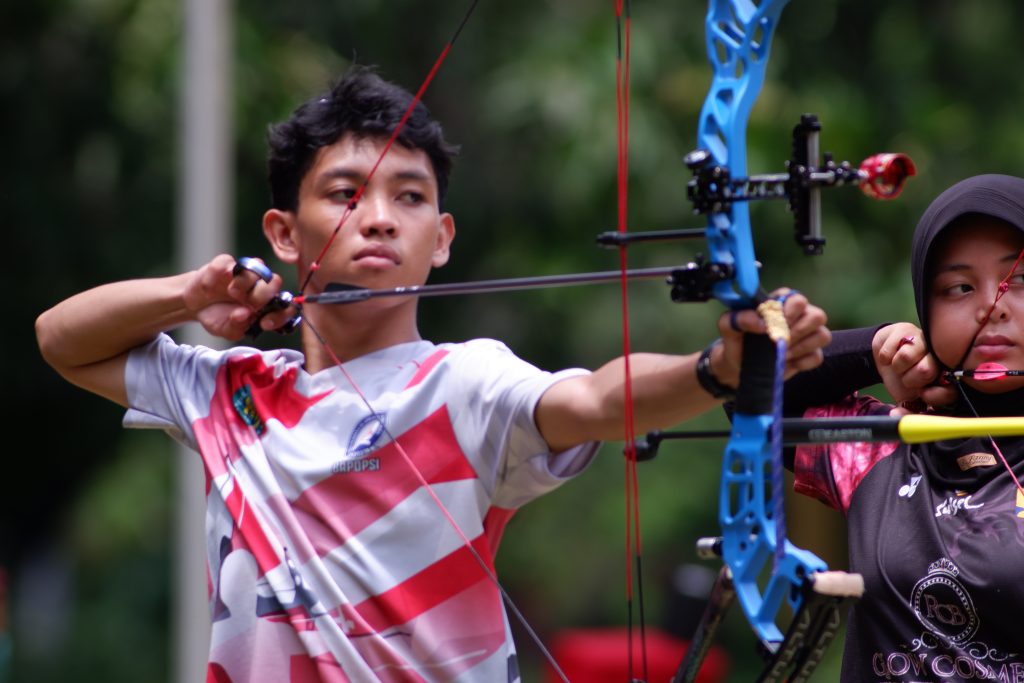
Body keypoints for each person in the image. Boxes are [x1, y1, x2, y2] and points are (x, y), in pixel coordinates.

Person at [34, 67, 830, 682]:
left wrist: (718, 367)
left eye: (409, 197)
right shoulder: (233, 390)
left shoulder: (464, 383)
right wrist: (191, 293)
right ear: (283, 231)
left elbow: (591, 397)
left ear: (441, 236)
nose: (379, 216)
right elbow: (62, 340)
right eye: (345, 194)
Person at [787, 174, 1024, 682]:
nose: (992, 305)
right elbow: (745, 390)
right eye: (958, 288)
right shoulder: (882, 446)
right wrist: (876, 349)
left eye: (1018, 281)